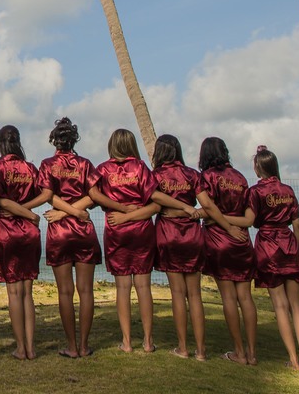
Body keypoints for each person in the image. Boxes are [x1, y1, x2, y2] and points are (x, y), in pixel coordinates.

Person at [87, 128, 160, 355]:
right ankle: (148, 342)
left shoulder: (104, 169)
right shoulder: (140, 168)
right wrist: (130, 210)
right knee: (144, 287)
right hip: (142, 230)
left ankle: (127, 342)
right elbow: (155, 205)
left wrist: (117, 209)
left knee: (122, 288)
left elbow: (92, 194)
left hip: (117, 229)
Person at [245, 145, 299, 372]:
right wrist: (297, 249)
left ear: (258, 168)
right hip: (289, 245)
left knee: (280, 306)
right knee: (296, 306)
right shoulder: (288, 190)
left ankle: (293, 360)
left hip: (268, 246)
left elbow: (250, 219)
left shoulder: (255, 192)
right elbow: (297, 224)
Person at [38, 117, 101, 358]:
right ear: (74, 139)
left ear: (55, 140)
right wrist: (76, 212)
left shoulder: (47, 164)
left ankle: (72, 347)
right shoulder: (85, 164)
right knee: (86, 291)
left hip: (60, 230)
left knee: (65, 291)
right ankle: (84, 346)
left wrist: (63, 211)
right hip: (83, 229)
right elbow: (93, 196)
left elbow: (48, 196)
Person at [0, 125, 47, 360]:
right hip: (29, 231)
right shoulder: (30, 168)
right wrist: (28, 210)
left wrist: (19, 209)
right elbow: (46, 194)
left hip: (6, 231)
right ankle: (31, 347)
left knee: (14, 293)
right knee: (27, 294)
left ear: (0, 145)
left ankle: (21, 347)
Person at [196, 136, 257, 365]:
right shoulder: (240, 178)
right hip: (242, 240)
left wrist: (225, 225)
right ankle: (252, 353)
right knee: (246, 297)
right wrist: (235, 226)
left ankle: (239, 352)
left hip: (219, 238)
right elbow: (247, 212)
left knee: (228, 298)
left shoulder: (207, 177)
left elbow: (208, 208)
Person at [151, 134, 208, 361]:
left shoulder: (156, 176)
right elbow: (208, 207)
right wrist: (189, 210)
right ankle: (201, 351)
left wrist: (176, 210)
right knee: (195, 294)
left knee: (177, 293)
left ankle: (183, 348)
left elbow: (153, 200)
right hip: (192, 234)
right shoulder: (193, 175)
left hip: (168, 233)